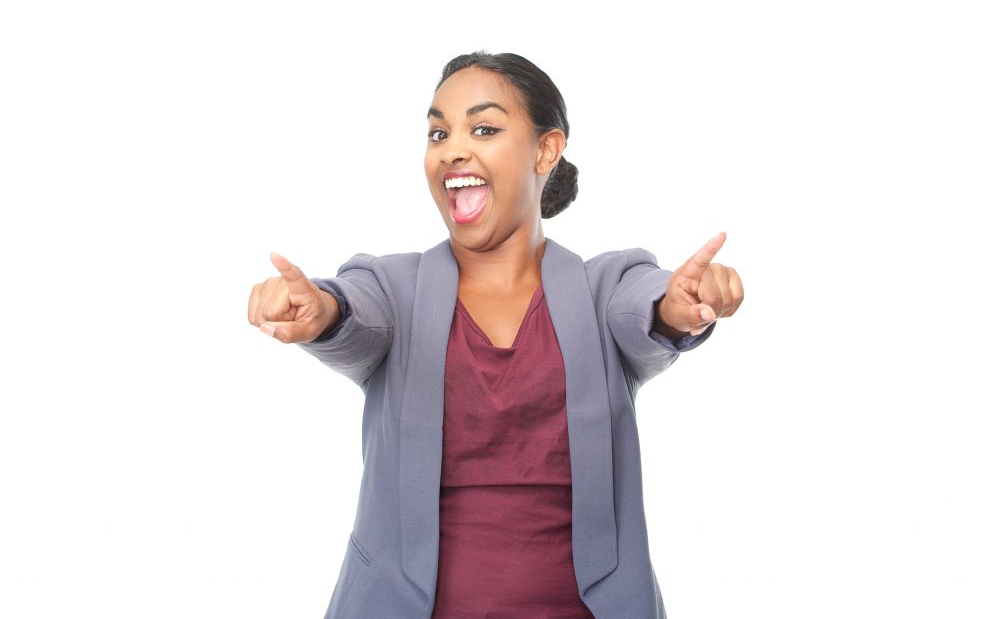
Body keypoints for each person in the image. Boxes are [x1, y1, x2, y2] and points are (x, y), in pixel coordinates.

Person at [247, 51, 744, 619]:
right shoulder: (392, 287)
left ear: (545, 150)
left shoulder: (603, 286)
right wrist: (320, 310)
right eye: (439, 132)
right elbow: (355, 313)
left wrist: (679, 306)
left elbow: (645, 306)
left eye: (483, 128)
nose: (452, 148)